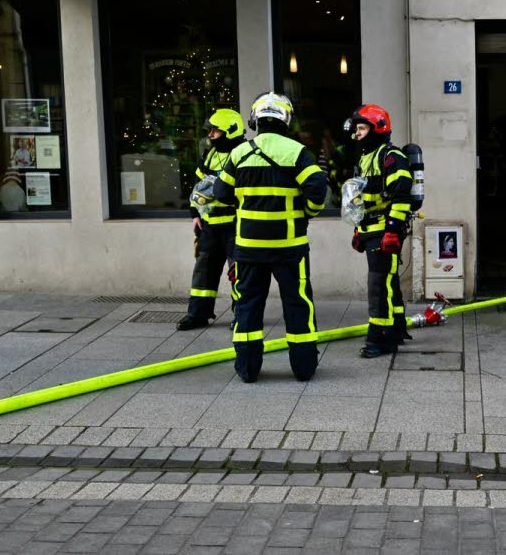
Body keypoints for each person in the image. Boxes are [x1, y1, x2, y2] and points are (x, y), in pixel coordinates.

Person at [213, 92, 327, 383]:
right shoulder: (297, 151)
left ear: (255, 119)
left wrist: (245, 203)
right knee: (298, 303)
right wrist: (305, 214)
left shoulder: (238, 153)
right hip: (290, 246)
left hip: (249, 247)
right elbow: (317, 188)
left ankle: (247, 369)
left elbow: (220, 194)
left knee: (248, 305)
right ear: (286, 119)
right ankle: (303, 368)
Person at [347, 104, 413, 359]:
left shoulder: (392, 157)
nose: (358, 134)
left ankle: (379, 338)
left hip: (386, 229)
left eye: (362, 128)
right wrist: (358, 230)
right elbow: (362, 199)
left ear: (378, 129)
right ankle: (397, 328)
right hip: (371, 229)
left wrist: (393, 231)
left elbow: (401, 196)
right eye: (357, 129)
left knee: (378, 284)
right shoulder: (365, 157)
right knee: (388, 281)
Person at [176, 109, 244, 331]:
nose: (212, 135)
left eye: (216, 131)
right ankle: (198, 314)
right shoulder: (210, 155)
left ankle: (242, 316)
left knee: (239, 273)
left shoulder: (243, 154)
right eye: (211, 130)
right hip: (210, 225)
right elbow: (197, 186)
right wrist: (195, 214)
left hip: (235, 225)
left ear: (231, 131)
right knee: (203, 271)